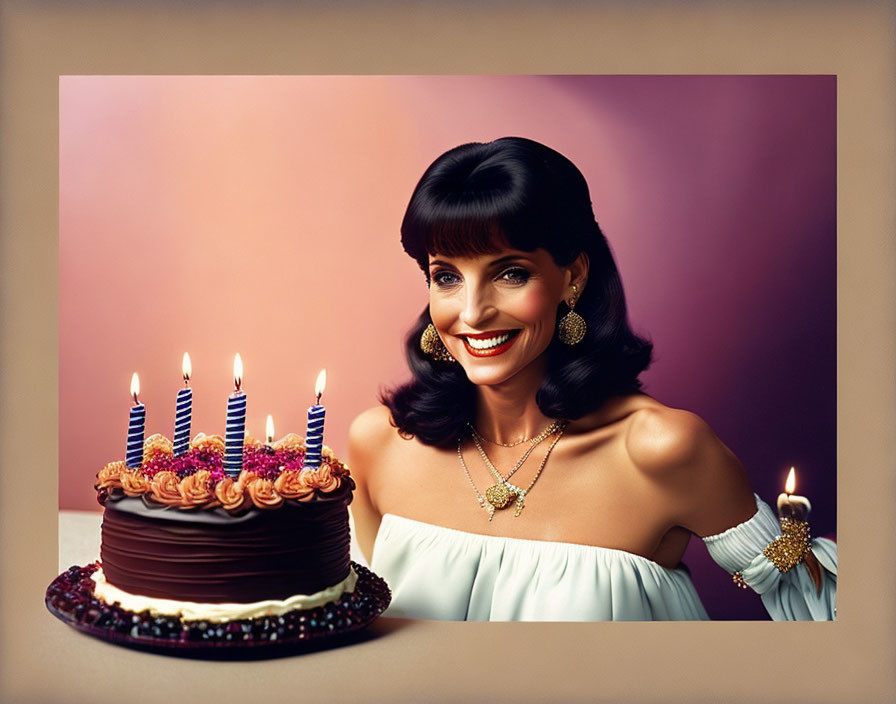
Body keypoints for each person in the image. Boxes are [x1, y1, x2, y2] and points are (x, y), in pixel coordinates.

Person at [348, 136, 836, 621]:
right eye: (447, 276)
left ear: (572, 276)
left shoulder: (663, 450)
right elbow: (353, 634)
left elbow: (822, 613)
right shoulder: (380, 445)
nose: (473, 313)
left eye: (511, 273)